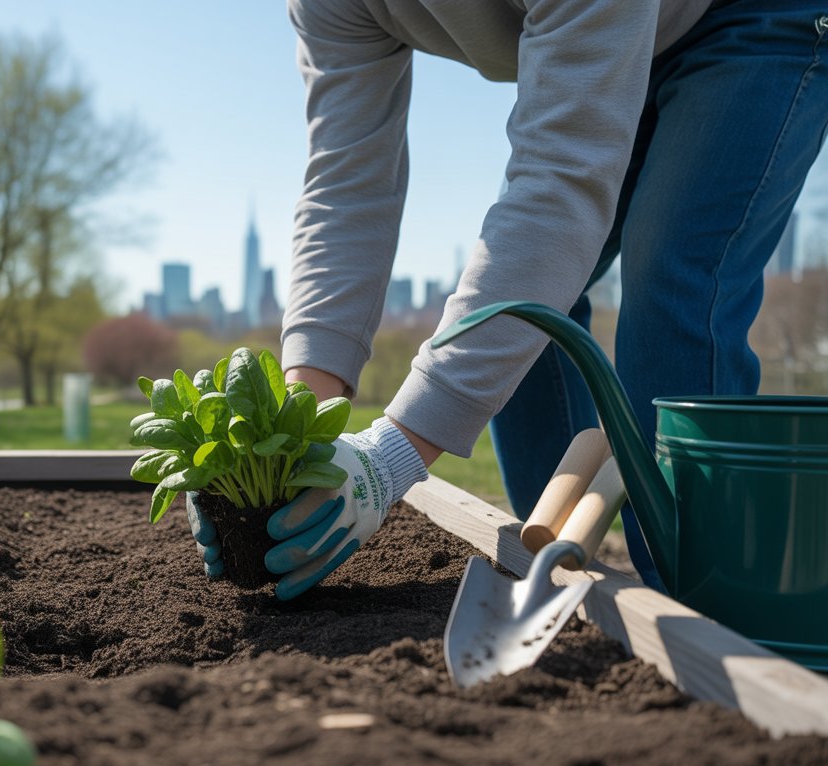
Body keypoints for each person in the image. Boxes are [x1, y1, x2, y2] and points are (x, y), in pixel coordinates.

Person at [192, 0, 828, 600]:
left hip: (747, 20)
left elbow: (562, 181)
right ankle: (555, 575)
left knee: (673, 281)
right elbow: (345, 187)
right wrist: (296, 433)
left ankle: (707, 617)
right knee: (515, 318)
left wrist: (389, 459)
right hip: (614, 42)